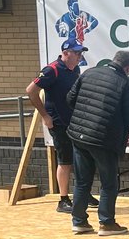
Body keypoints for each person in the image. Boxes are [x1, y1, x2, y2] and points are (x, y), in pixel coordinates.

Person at [66, 49, 129, 235]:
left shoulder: (89, 73)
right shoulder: (127, 85)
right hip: (103, 140)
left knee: (82, 182)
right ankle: (106, 223)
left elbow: (70, 99)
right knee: (109, 183)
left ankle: (79, 221)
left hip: (78, 135)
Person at [26, 35, 89, 214]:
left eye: (80, 53)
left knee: (82, 158)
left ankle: (81, 194)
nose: (79, 57)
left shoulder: (76, 70)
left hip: (75, 121)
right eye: (76, 53)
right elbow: (31, 91)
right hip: (59, 122)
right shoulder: (51, 70)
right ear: (65, 53)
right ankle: (63, 199)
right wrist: (45, 116)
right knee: (65, 160)